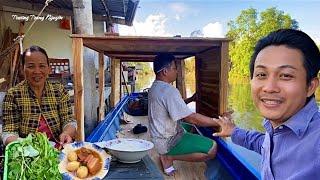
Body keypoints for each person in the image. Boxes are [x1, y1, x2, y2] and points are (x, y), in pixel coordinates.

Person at [213, 29, 320, 179]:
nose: (269, 88)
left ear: (310, 86)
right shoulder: (277, 127)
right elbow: (267, 145)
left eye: (286, 75)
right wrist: (234, 131)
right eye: (261, 75)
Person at [148, 53, 222, 176]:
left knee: (191, 128)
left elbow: (173, 106)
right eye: (174, 68)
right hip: (168, 141)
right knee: (212, 148)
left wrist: (190, 100)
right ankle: (169, 157)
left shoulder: (155, 87)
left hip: (158, 137)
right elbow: (191, 118)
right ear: (165, 71)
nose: (176, 71)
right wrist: (218, 121)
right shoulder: (169, 90)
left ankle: (170, 153)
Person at [1, 45, 77, 147]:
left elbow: (69, 121)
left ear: (49, 69)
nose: (37, 71)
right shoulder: (13, 94)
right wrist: (27, 145)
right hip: (26, 152)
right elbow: (9, 132)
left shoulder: (58, 90)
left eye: (42, 66)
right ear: (22, 69)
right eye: (31, 66)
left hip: (59, 148)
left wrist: (67, 133)